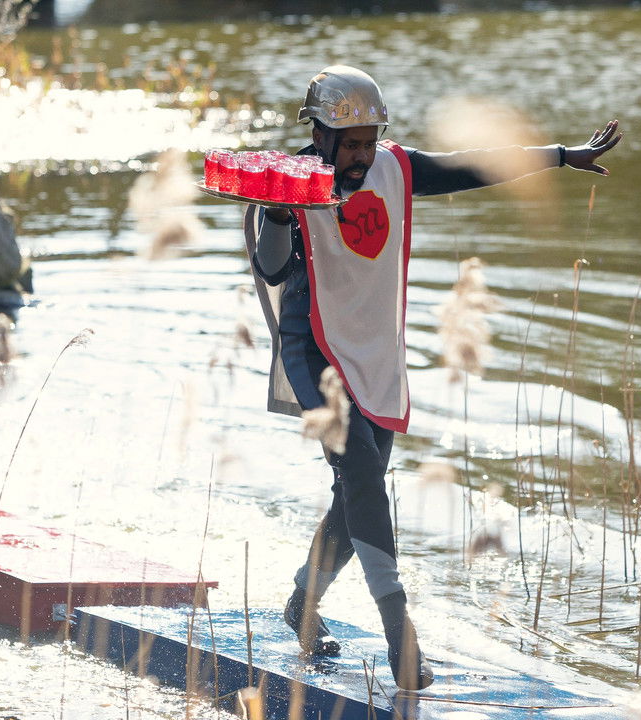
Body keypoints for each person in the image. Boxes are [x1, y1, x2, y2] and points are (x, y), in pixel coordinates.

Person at [242, 65, 620, 691]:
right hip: (315, 351)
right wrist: (282, 213)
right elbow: (274, 270)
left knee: (353, 491)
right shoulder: (292, 179)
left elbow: (472, 164)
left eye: (370, 141)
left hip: (377, 354)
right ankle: (401, 639)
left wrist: (559, 155)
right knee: (362, 476)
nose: (362, 157)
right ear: (322, 137)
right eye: (350, 145)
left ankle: (301, 606)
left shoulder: (393, 167)